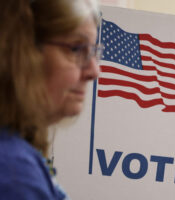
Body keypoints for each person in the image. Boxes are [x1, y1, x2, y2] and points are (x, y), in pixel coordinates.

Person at [0, 0, 101, 199]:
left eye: (92, 52)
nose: (94, 71)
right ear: (20, 50)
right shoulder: (13, 171)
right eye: (76, 49)